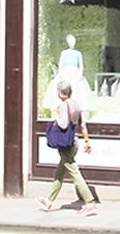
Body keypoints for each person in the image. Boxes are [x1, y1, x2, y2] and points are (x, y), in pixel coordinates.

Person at [37, 80, 98, 217]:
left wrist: (55, 113)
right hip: (74, 142)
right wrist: (87, 141)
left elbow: (63, 125)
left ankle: (89, 203)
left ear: (59, 93)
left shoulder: (64, 105)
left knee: (74, 172)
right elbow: (82, 125)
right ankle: (48, 201)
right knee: (60, 172)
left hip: (66, 144)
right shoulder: (76, 105)